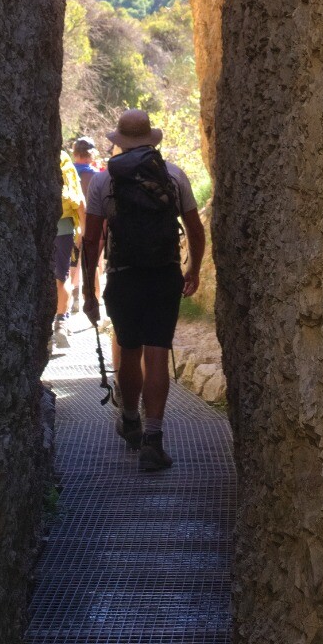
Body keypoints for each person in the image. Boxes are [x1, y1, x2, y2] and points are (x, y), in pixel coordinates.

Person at [82, 109, 205, 473]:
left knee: (130, 348)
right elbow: (196, 231)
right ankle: (154, 439)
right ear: (151, 138)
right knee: (156, 352)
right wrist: (193, 268)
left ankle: (131, 419)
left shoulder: (104, 182)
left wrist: (89, 293)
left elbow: (91, 241)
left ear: (118, 140)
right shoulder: (173, 175)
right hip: (163, 275)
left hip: (123, 276)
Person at [53, 149, 86, 354]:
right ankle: (60, 321)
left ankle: (42, 328)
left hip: (32, 221)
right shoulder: (62, 158)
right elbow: (78, 199)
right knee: (61, 275)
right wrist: (83, 228)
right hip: (62, 225)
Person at [68, 137, 99, 315]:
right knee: (91, 264)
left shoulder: (67, 172)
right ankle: (93, 303)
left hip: (70, 222)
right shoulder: (94, 176)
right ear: (90, 154)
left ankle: (72, 297)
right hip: (91, 223)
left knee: (70, 263)